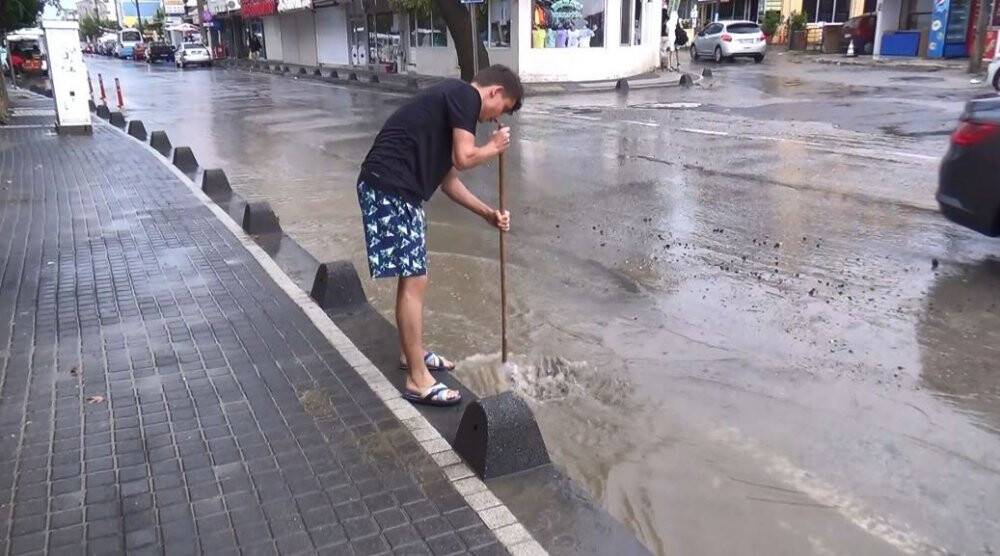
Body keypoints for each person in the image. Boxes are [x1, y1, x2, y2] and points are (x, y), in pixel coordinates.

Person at [357, 65, 524, 407]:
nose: (495, 119)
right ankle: (418, 379)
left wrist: (488, 214)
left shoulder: (450, 102)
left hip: (398, 190)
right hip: (389, 187)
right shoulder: (464, 95)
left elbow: (448, 179)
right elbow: (464, 159)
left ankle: (411, 353)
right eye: (502, 108)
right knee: (415, 280)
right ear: (492, 92)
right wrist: (492, 147)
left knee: (414, 277)